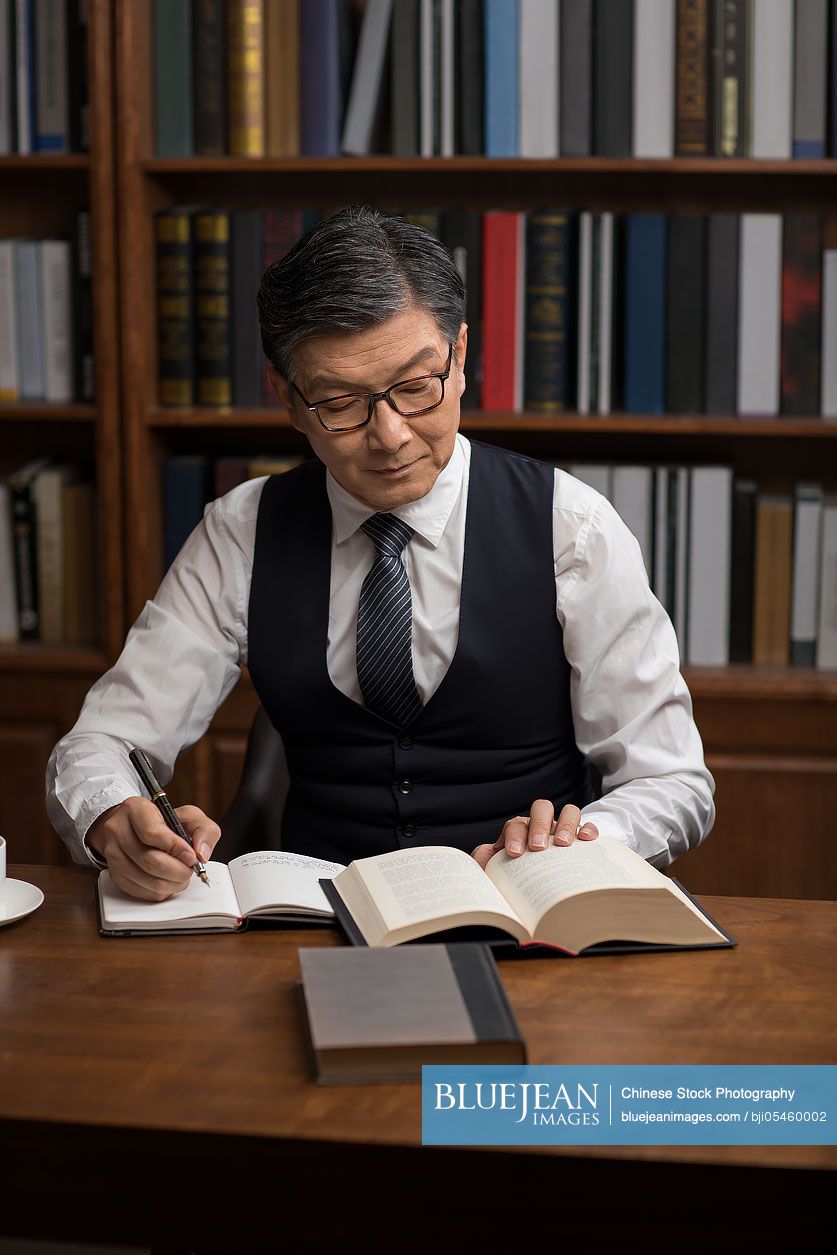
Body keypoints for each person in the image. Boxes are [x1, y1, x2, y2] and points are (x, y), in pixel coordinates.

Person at [46, 205, 715, 902]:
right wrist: (112, 817)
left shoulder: (570, 527)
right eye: (339, 400)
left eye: (416, 386)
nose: (390, 435)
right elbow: (101, 742)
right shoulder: (241, 531)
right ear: (288, 398)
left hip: (523, 916)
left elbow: (671, 780)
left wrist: (580, 845)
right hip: (316, 918)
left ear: (459, 357)